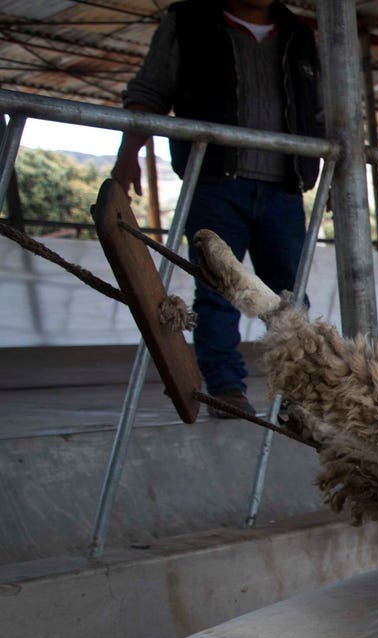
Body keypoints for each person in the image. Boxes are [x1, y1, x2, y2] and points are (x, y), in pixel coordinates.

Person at [115, 0, 325, 419]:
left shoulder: (299, 34)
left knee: (289, 296)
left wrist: (334, 174)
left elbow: (319, 110)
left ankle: (300, 395)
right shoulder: (190, 21)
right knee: (218, 292)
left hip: (284, 187)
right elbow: (150, 91)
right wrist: (128, 153)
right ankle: (226, 389)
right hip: (214, 182)